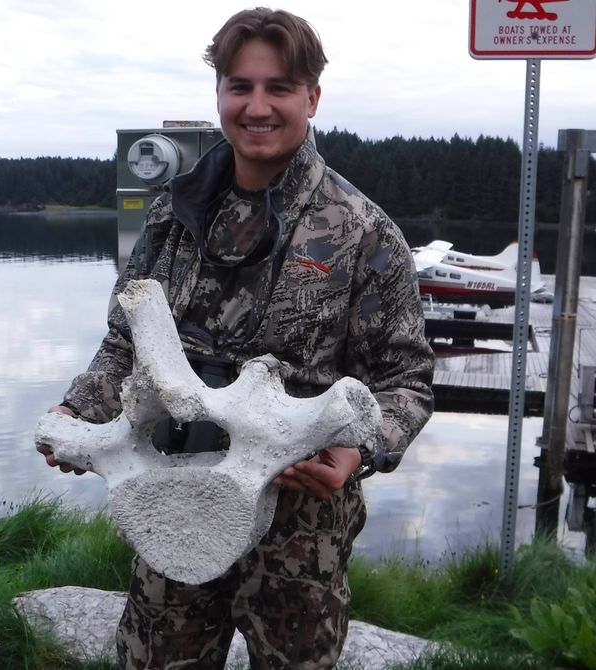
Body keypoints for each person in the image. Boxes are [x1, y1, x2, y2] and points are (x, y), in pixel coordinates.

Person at [38, 7, 434, 668]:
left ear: (312, 96)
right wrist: (80, 409)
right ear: (219, 93)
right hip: (172, 506)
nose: (257, 106)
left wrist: (357, 453)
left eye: (278, 87)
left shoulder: (363, 232)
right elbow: (122, 345)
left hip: (299, 538)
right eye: (239, 86)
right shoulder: (173, 215)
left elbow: (406, 382)